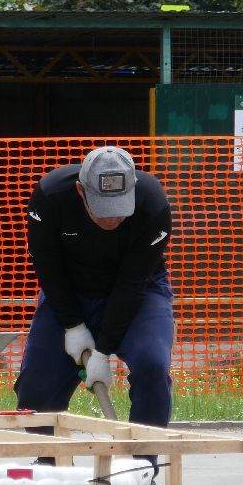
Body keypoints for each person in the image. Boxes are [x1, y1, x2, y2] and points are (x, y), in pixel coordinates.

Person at [15, 145, 174, 428]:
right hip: (69, 287)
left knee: (153, 366)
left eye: (120, 210)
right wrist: (73, 325)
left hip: (139, 291)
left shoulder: (153, 205)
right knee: (36, 387)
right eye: (102, 211)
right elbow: (48, 267)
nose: (112, 218)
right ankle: (49, 463)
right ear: (80, 191)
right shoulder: (50, 197)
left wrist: (103, 352)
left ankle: (141, 466)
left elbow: (132, 283)